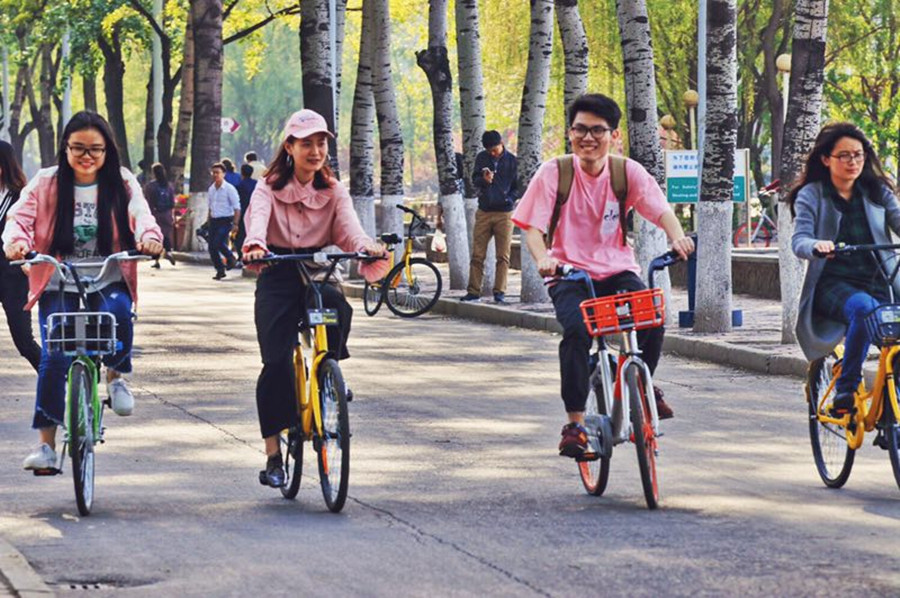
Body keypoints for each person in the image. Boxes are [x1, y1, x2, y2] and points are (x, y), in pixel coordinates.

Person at [513, 93, 694, 459]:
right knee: (578, 332)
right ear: (570, 133)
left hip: (617, 268)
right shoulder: (555, 172)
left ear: (614, 135)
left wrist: (677, 237)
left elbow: (661, 211)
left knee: (652, 317)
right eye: (581, 129)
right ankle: (575, 424)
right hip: (568, 273)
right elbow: (531, 228)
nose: (589, 138)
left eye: (598, 130)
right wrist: (543, 258)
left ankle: (644, 386)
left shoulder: (625, 172)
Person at [2, 111, 163, 470]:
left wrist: (150, 239)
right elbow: (19, 219)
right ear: (65, 148)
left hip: (107, 278)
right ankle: (46, 446)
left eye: (95, 149)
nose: (86, 156)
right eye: (78, 148)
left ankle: (116, 374)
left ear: (108, 151)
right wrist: (15, 243)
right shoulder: (45, 183)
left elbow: (142, 215)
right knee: (54, 357)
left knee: (120, 313)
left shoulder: (121, 183)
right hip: (58, 281)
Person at [242, 109, 387, 488]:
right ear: (289, 146)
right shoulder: (267, 187)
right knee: (275, 363)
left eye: (321, 143)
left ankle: (329, 378)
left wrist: (366, 247)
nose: (315, 150)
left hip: (319, 271)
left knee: (339, 309)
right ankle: (274, 455)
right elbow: (256, 220)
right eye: (306, 143)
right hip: (277, 270)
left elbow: (349, 230)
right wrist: (256, 245)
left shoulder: (334, 190)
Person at [790, 122, 900, 420]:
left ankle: (893, 407)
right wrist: (817, 245)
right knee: (864, 310)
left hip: (883, 279)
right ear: (826, 159)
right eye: (845, 156)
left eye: (859, 155)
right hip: (833, 283)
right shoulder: (812, 194)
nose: (853, 162)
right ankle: (847, 388)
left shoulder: (877, 190)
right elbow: (799, 240)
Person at [460, 130, 518, 304]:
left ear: (501, 143)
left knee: (503, 256)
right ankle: (473, 291)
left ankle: (500, 292)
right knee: (477, 255)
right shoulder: (482, 158)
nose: (492, 153)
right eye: (489, 150)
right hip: (484, 212)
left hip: (505, 214)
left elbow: (518, 186)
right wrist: (484, 180)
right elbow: (474, 180)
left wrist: (509, 198)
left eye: (495, 149)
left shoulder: (512, 161)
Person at [0, 140, 42, 371]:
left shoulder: (21, 197)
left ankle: (58, 379)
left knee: (24, 342)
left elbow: (33, 230)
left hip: (13, 276)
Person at [206, 162, 240, 280]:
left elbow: (237, 207)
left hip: (226, 220)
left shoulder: (229, 189)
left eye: (218, 173)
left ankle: (230, 257)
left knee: (217, 243)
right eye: (213, 172)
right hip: (214, 220)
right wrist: (207, 221)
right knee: (211, 247)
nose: (215, 175)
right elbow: (210, 207)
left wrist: (235, 224)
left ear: (224, 174)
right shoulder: (211, 189)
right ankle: (220, 269)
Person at [143, 162, 178, 269]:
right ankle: (168, 252)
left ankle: (157, 260)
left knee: (156, 237)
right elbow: (172, 203)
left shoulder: (150, 186)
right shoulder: (169, 186)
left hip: (155, 214)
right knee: (166, 236)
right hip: (167, 215)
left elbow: (148, 202)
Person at [234, 163, 257, 254]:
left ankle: (241, 255)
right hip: (254, 212)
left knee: (240, 235)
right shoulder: (256, 184)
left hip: (242, 213)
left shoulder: (239, 185)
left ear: (242, 173)